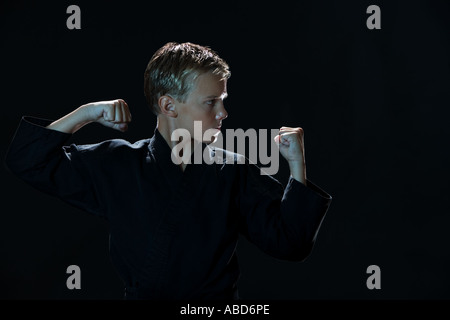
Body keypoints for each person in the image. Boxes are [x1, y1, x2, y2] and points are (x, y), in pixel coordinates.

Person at [5, 42, 332, 300]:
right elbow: (28, 160)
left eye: (223, 99)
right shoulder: (119, 164)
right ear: (168, 105)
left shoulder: (233, 170)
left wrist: (297, 165)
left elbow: (291, 244)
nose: (223, 112)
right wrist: (86, 113)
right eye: (211, 102)